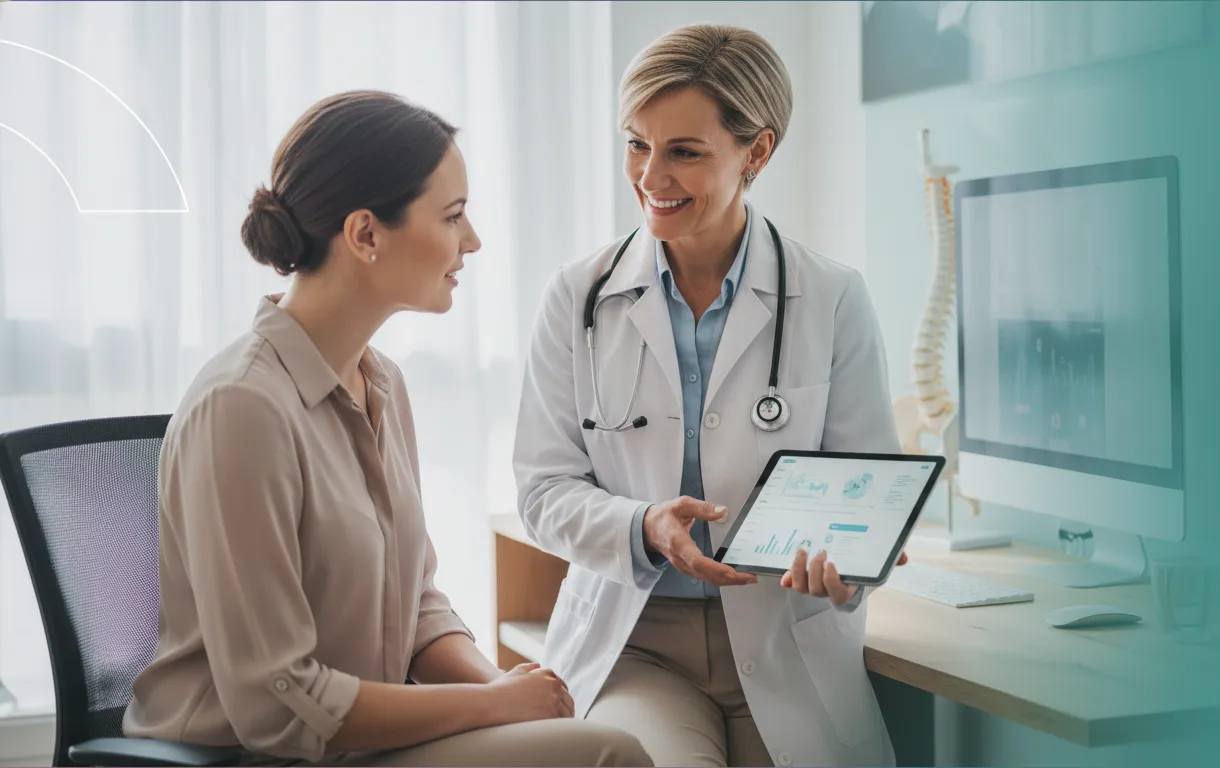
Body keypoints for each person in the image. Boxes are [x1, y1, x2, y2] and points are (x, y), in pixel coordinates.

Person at [123, 90, 652, 768]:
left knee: (585, 742)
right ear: (366, 234)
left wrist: (502, 687)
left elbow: (418, 606)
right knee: (605, 753)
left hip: (362, 743)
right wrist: (493, 707)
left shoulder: (381, 383)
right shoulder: (242, 408)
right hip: (257, 756)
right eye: (453, 215)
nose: (473, 240)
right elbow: (277, 703)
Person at [513, 24, 903, 768]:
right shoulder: (578, 298)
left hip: (784, 637)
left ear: (757, 151)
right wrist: (644, 526)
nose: (650, 176)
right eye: (636, 144)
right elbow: (543, 489)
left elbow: (866, 487)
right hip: (635, 643)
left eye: (683, 151)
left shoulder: (830, 297)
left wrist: (848, 557)